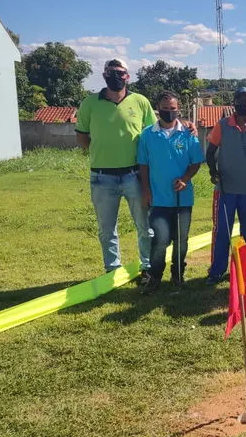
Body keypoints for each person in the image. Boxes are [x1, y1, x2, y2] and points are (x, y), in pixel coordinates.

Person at [75, 58, 156, 278]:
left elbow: (153, 134)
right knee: (106, 228)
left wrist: (185, 126)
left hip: (134, 175)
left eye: (120, 72)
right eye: (111, 72)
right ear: (104, 75)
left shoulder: (140, 102)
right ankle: (112, 269)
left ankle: (147, 267)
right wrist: (100, 151)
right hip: (102, 177)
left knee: (144, 225)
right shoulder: (90, 103)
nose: (116, 76)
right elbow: (82, 136)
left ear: (127, 76)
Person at [136, 91, 204, 294]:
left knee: (181, 240)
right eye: (165, 109)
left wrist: (184, 179)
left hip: (183, 200)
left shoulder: (188, 134)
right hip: (158, 200)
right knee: (160, 240)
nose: (169, 113)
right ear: (158, 110)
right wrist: (146, 191)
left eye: (173, 109)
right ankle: (155, 277)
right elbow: (143, 165)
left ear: (178, 109)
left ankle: (178, 275)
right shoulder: (147, 134)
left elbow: (196, 161)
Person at [206, 87, 246, 283]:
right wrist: (213, 173)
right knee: (222, 231)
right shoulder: (222, 125)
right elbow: (210, 152)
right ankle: (216, 271)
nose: (244, 105)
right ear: (234, 103)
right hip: (225, 190)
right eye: (240, 100)